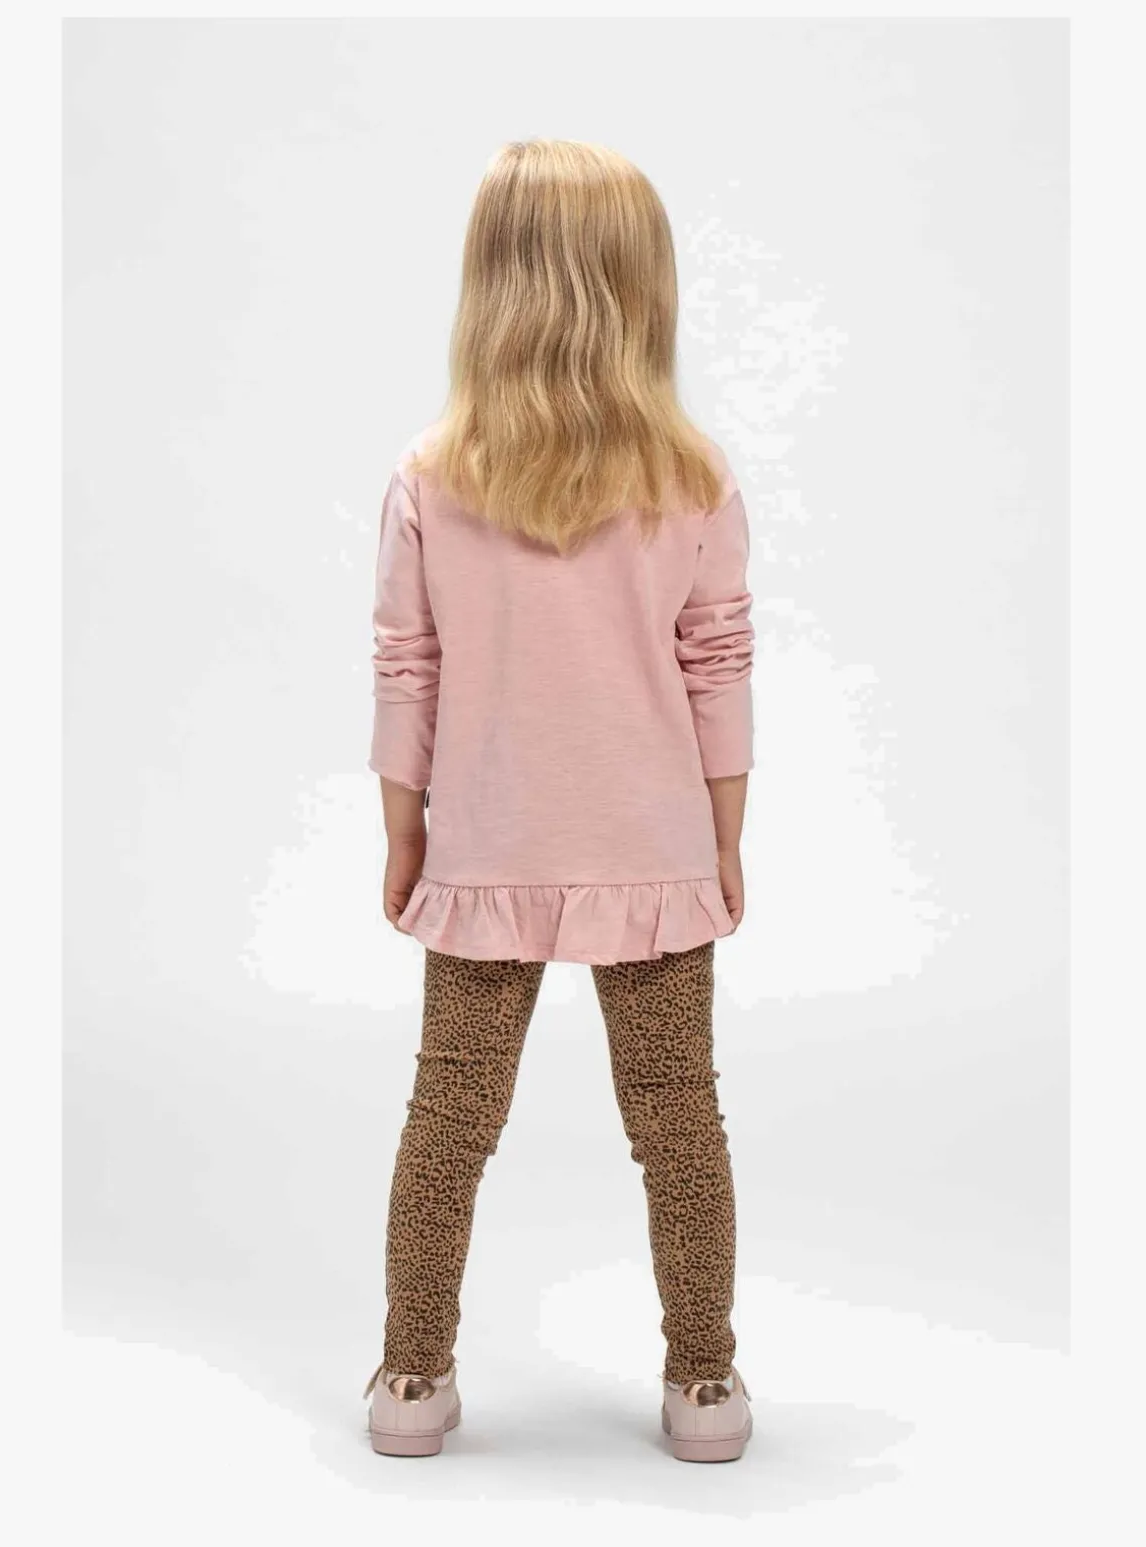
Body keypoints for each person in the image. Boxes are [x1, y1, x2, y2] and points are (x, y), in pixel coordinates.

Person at [363, 139, 755, 1464]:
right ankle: (705, 1382)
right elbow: (718, 664)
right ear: (643, 288)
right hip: (654, 843)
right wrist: (723, 836)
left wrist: (405, 826)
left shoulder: (431, 476)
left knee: (450, 1116)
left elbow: (407, 662)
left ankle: (411, 1376)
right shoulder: (692, 479)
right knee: (679, 1116)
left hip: (486, 846)